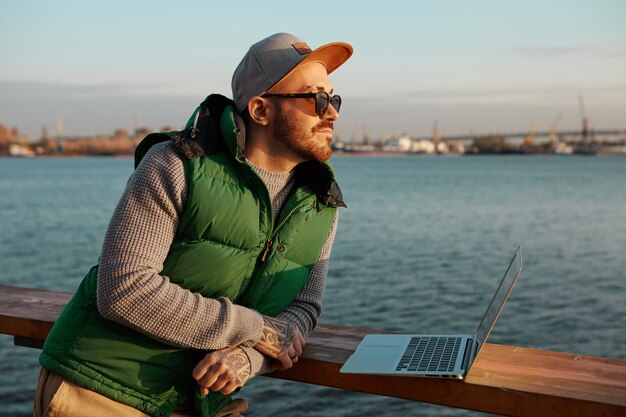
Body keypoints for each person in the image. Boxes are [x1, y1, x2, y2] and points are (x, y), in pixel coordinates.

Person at [33, 32, 353, 417]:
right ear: (261, 110)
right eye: (316, 99)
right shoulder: (176, 165)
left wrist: (251, 358)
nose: (331, 113)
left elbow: (303, 309)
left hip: (201, 403)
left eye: (333, 99)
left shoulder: (319, 200)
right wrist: (252, 329)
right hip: (101, 392)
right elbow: (123, 289)